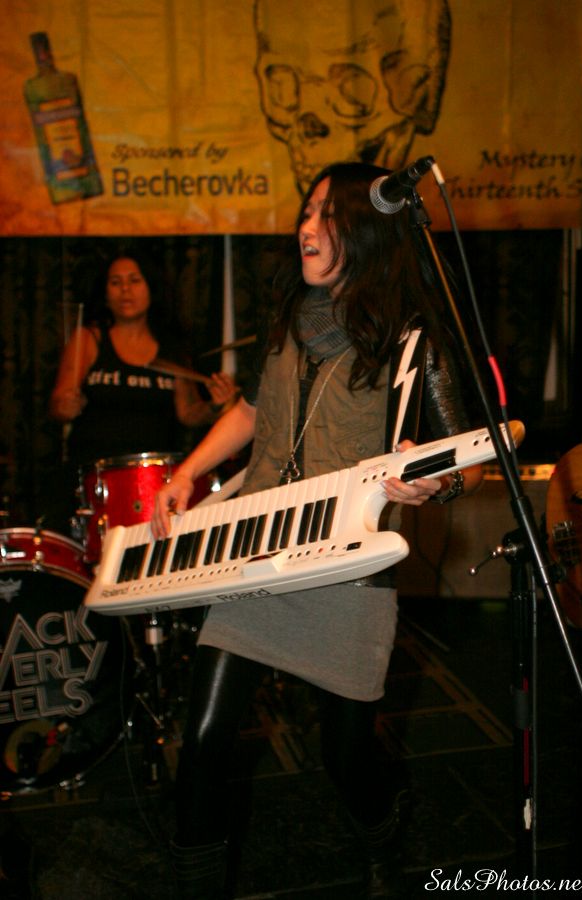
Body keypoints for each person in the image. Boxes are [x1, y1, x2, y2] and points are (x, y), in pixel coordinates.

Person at [151, 162, 484, 899]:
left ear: (364, 230)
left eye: (326, 215)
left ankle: (381, 835)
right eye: (306, 212)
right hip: (255, 551)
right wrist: (188, 472)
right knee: (202, 741)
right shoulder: (287, 320)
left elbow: (468, 460)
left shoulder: (410, 338)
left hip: (346, 567)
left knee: (345, 754)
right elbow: (251, 411)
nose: (307, 226)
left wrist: (433, 480)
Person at [47, 250, 236, 537]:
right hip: (96, 477)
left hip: (151, 480)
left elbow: (188, 414)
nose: (125, 289)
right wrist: (66, 405)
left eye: (134, 280)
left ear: (151, 288)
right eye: (116, 282)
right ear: (105, 293)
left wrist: (214, 406)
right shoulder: (89, 338)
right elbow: (58, 405)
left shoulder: (171, 347)